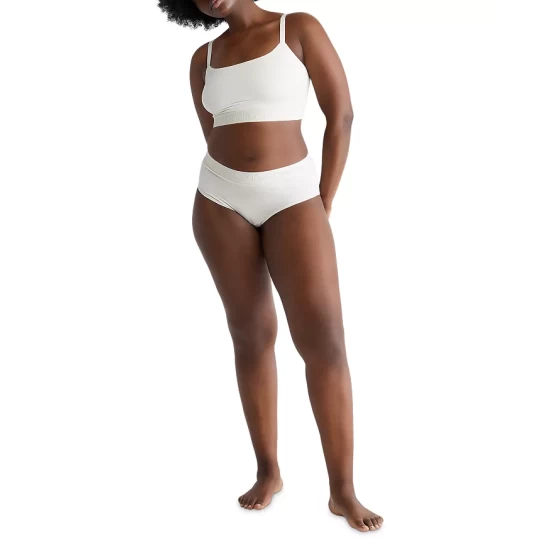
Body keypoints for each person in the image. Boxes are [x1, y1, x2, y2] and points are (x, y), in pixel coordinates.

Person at [158, 0, 383, 533]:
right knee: (251, 334)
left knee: (324, 341)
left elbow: (341, 115)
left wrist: (323, 201)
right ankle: (268, 470)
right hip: (219, 199)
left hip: (294, 195)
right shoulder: (202, 58)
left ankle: (343, 490)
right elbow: (213, 130)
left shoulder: (297, 29)